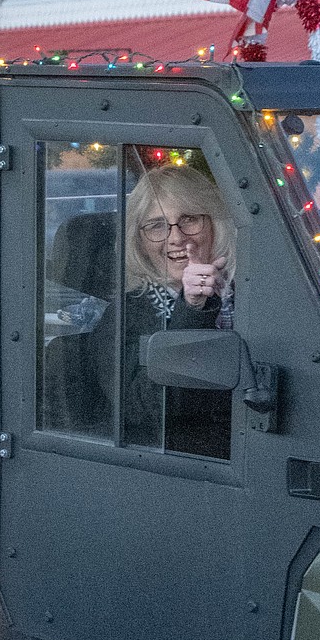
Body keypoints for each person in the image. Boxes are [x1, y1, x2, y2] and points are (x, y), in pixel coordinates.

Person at [95, 163, 237, 458]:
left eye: (189, 219)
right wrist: (193, 307)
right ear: (140, 239)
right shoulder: (123, 317)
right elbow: (142, 411)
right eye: (157, 225)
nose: (176, 237)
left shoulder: (254, 295)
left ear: (214, 224)